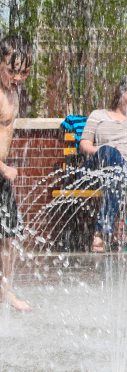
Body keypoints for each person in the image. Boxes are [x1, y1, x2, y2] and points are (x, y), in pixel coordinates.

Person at [80, 76, 127, 252]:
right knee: (111, 153)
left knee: (115, 178)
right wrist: (104, 150)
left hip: (120, 173)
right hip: (97, 168)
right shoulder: (98, 115)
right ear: (119, 93)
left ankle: (100, 234)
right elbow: (84, 145)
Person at [0, 35, 34, 312]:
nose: (18, 77)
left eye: (23, 72)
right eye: (12, 70)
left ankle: (4, 291)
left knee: (9, 236)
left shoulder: (12, 92)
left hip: (1, 176)